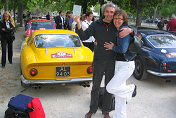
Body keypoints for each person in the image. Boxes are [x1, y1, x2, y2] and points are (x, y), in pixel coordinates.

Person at [72, 2, 134, 118]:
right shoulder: (96, 24)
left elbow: (128, 27)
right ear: (103, 12)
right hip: (99, 60)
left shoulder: (116, 24)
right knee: (95, 87)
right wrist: (78, 23)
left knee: (108, 87)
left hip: (112, 60)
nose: (110, 14)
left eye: (112, 12)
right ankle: (92, 109)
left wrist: (131, 30)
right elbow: (84, 36)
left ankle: (106, 111)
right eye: (107, 11)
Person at [104, 9, 136, 118]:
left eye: (120, 18)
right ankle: (120, 115)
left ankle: (131, 89)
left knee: (110, 88)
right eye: (115, 18)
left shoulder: (124, 30)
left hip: (125, 65)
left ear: (124, 20)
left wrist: (113, 47)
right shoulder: (120, 29)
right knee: (119, 96)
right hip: (120, 64)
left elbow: (122, 50)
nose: (117, 20)